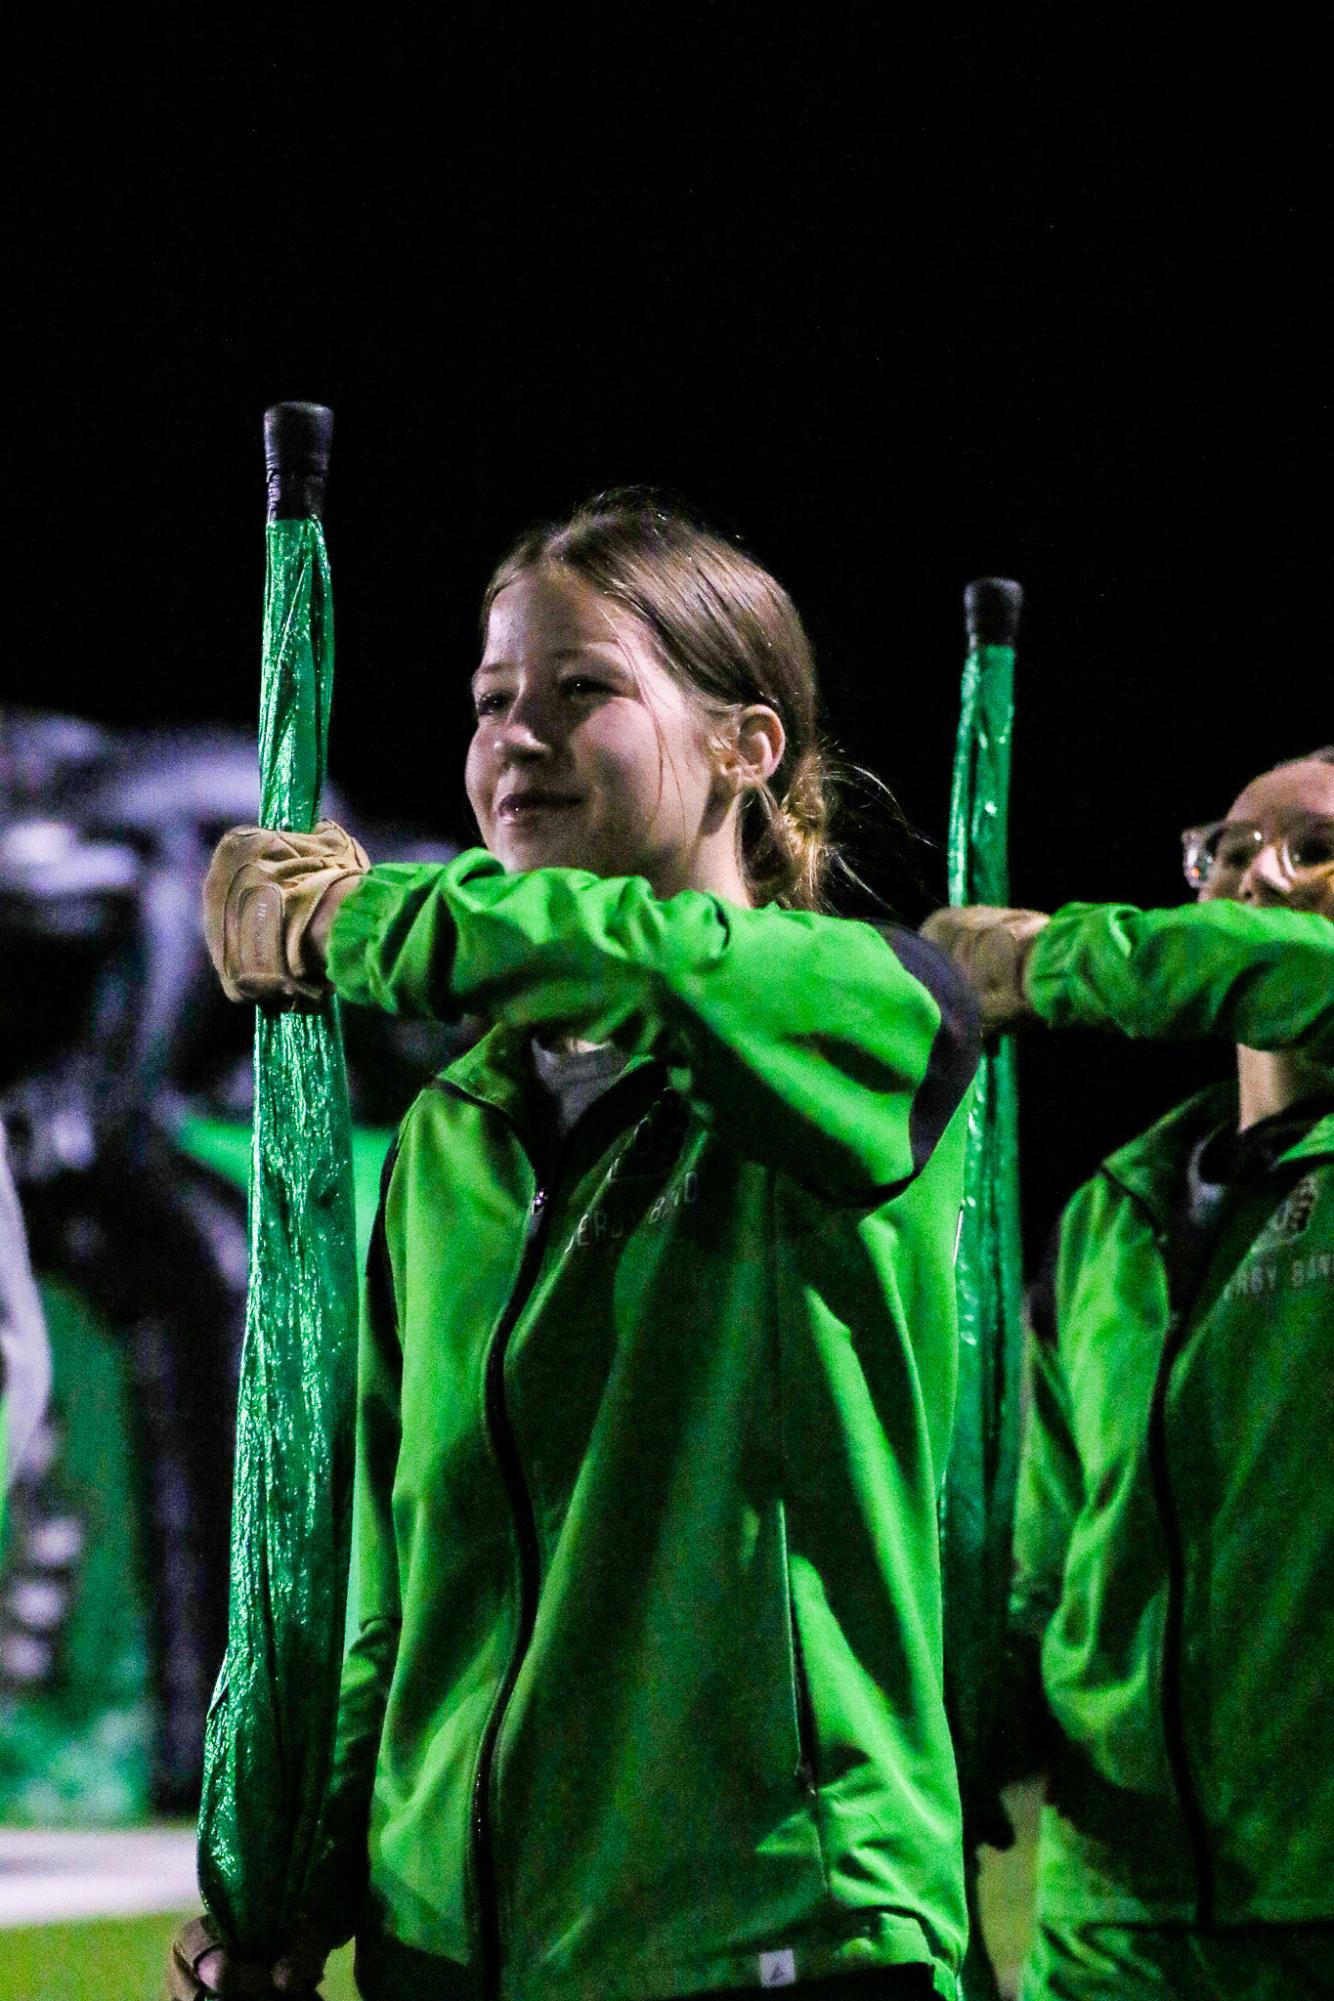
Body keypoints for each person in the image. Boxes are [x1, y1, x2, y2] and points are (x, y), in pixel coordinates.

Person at [174, 495, 981, 2001]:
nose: (515, 739)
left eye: (581, 691)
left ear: (747, 747)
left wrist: (360, 922)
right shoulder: (452, 1133)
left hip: (758, 1930)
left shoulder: (869, 1014)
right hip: (447, 1949)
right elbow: (397, 1575)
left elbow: (653, 966)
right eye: (491, 701)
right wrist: (303, 1872)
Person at [923, 750, 1334, 1999]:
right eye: (1225, 849)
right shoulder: (1115, 1211)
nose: (1252, 876)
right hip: (1110, 1922)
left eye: (1310, 847)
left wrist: (1049, 961)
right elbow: (1054, 1559)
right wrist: (961, 1742)